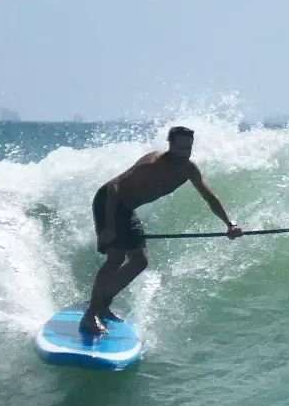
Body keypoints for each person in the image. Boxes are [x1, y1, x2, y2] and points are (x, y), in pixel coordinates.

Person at [80, 126, 242, 335]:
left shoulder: (189, 170)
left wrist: (230, 224)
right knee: (116, 258)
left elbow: (209, 197)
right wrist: (109, 226)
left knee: (140, 261)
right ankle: (90, 315)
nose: (185, 153)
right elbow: (114, 188)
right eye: (181, 147)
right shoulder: (152, 164)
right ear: (170, 144)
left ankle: (102, 303)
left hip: (127, 209)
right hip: (108, 203)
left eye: (189, 148)